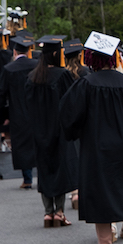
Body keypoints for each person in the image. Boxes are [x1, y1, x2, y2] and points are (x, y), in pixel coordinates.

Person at [60, 32, 123, 244]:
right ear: (115, 57)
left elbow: (69, 117)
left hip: (96, 150)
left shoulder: (85, 85)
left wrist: (74, 133)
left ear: (91, 58)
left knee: (100, 199)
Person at [25, 35, 78, 227]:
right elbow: (72, 102)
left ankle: (48, 213)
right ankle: (60, 212)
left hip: (39, 131)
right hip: (60, 130)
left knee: (45, 169)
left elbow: (27, 107)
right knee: (60, 169)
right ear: (55, 54)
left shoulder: (32, 78)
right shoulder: (62, 75)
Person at [0, 34, 38, 189]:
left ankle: (27, 179)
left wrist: (2, 116)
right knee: (39, 142)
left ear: (14, 52)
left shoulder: (9, 69)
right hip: (37, 111)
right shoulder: (37, 65)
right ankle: (44, 175)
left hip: (17, 112)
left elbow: (1, 93)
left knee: (23, 145)